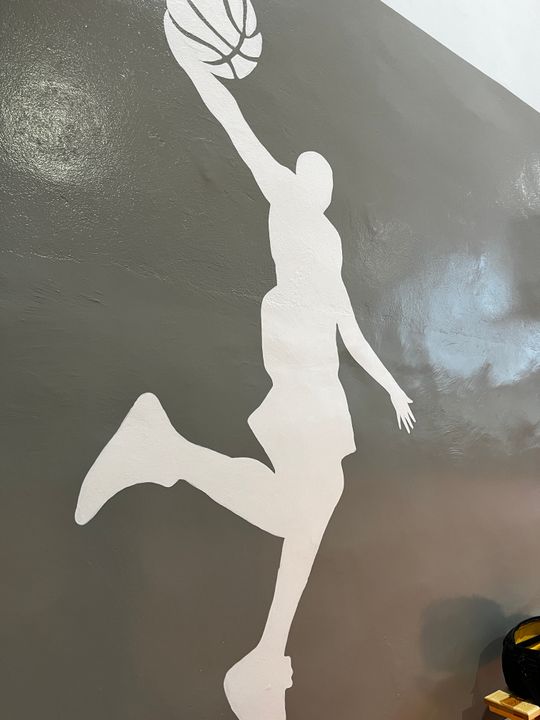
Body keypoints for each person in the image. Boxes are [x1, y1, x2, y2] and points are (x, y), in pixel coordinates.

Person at [75, 11, 415, 720]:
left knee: (314, 506)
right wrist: (192, 63)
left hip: (323, 385)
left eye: (324, 175)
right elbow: (235, 124)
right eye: (311, 169)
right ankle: (170, 457)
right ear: (300, 178)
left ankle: (263, 657)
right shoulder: (286, 197)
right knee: (304, 509)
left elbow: (349, 323)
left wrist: (390, 386)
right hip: (299, 375)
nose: (319, 177)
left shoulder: (329, 241)